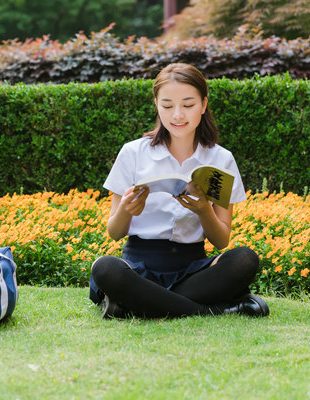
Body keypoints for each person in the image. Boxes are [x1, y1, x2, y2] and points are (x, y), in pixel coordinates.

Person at [89, 63, 269, 319]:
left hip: (193, 270)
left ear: (204, 104)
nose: (177, 115)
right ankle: (221, 309)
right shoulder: (133, 153)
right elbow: (114, 232)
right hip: (139, 267)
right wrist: (127, 212)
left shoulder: (221, 159)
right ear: (156, 104)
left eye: (188, 105)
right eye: (167, 105)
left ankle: (135, 305)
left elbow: (221, 240)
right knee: (106, 269)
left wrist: (204, 210)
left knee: (245, 259)